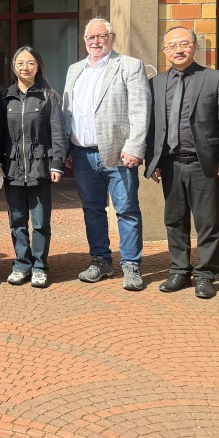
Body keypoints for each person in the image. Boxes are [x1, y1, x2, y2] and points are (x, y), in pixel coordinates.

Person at [146, 27, 219, 299]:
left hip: (204, 163)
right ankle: (179, 271)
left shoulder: (215, 79)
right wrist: (154, 160)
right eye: (172, 46)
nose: (178, 50)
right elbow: (154, 126)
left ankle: (206, 274)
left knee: (207, 222)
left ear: (195, 47)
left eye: (184, 44)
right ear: (164, 51)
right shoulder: (156, 83)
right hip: (171, 163)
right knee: (174, 220)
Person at [62, 17, 151, 291]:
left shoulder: (129, 66)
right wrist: (67, 148)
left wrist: (135, 147)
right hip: (83, 155)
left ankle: (131, 264)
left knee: (126, 210)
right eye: (90, 38)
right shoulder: (75, 70)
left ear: (111, 38)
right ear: (85, 41)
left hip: (118, 154)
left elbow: (140, 110)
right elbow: (68, 112)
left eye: (101, 36)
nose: (95, 42)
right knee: (92, 210)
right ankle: (101, 260)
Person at [0, 46, 67, 289]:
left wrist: (57, 163)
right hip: (12, 167)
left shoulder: (49, 97)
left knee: (40, 222)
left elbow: (58, 134)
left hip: (40, 167)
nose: (25, 67)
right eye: (20, 63)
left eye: (30, 63)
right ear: (13, 67)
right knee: (16, 221)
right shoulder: (4, 97)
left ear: (39, 66)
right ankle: (21, 264)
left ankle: (39, 266)